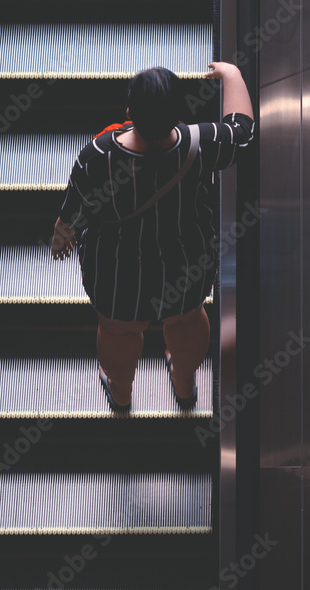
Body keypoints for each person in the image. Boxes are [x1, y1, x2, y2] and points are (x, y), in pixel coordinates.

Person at [50, 62, 255, 412]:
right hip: (185, 261)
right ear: (178, 113)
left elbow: (74, 209)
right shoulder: (200, 143)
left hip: (116, 270)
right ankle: (184, 382)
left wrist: (61, 235)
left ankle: (122, 392)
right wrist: (233, 75)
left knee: (119, 331)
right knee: (186, 318)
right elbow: (242, 132)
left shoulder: (99, 155)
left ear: (129, 111)